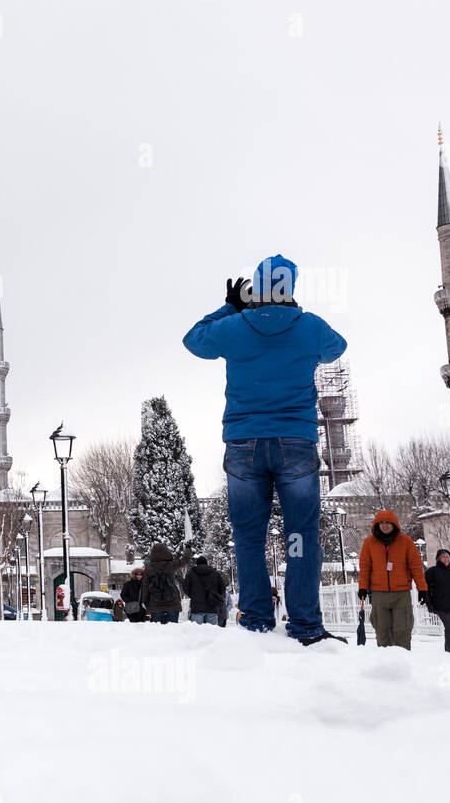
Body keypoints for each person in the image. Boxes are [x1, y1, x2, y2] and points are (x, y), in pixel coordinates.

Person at [183, 254, 348, 646]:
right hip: (296, 444)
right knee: (300, 535)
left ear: (255, 287)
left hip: (245, 445)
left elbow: (194, 339)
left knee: (249, 536)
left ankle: (256, 618)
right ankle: (305, 623)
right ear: (290, 288)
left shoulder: (234, 327)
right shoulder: (309, 328)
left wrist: (232, 306)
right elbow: (337, 347)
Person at [357, 510, 428, 650]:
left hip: (401, 593)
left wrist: (422, 588)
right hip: (379, 594)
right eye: (381, 523)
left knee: (402, 630)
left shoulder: (406, 541)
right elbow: (365, 567)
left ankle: (402, 660)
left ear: (394, 524)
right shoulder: (369, 543)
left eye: (388, 523)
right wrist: (362, 587)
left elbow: (416, 566)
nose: (385, 526)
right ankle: (385, 663)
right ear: (377, 525)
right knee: (382, 630)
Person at [140, 543, 182, 623]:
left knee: (158, 631)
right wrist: (188, 548)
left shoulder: (148, 567)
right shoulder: (171, 565)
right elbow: (185, 560)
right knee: (173, 630)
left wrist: (144, 601)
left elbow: (145, 586)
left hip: (155, 603)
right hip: (172, 602)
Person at [184, 555, 226, 626]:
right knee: (212, 632)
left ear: (197, 564)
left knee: (197, 632)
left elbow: (185, 587)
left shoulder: (191, 573)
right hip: (212, 606)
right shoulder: (215, 573)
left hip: (196, 608)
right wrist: (216, 595)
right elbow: (222, 588)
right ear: (206, 564)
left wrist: (193, 595)